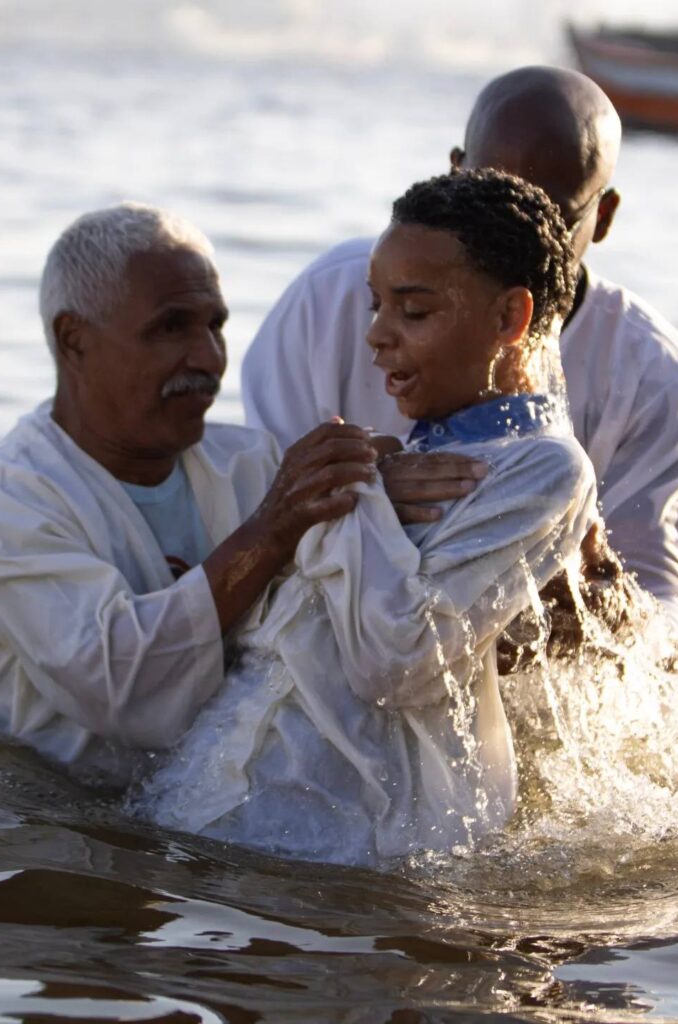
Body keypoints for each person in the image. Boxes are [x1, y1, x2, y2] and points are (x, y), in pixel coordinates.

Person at [135, 170, 596, 866]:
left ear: (509, 320)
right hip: (219, 809)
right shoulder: (417, 453)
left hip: (333, 843)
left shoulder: (544, 469)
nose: (377, 336)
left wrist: (361, 494)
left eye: (413, 312)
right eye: (376, 306)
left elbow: (399, 661)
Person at [242, 66, 678, 663]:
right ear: (455, 174)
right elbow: (250, 522)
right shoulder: (326, 303)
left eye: (549, 218)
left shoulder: (652, 375)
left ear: (606, 215)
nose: (515, 243)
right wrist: (362, 495)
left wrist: (605, 613)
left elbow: (667, 626)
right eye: (487, 201)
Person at [0, 202, 381, 779]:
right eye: (171, 327)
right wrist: (269, 533)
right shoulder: (2, 503)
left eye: (215, 325)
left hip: (199, 805)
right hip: (44, 822)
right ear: (74, 340)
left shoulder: (251, 464)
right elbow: (117, 687)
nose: (209, 359)